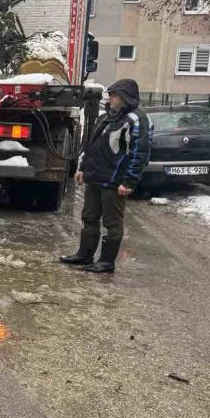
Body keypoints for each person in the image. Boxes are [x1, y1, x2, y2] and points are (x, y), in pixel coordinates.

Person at [60, 79, 152, 273]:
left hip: (115, 181)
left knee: (112, 222)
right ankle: (84, 255)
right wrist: (82, 168)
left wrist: (129, 181)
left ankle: (106, 262)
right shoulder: (106, 118)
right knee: (89, 217)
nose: (110, 98)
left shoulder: (136, 119)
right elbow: (91, 145)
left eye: (114, 95)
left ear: (126, 98)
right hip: (95, 178)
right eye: (109, 94)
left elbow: (139, 153)